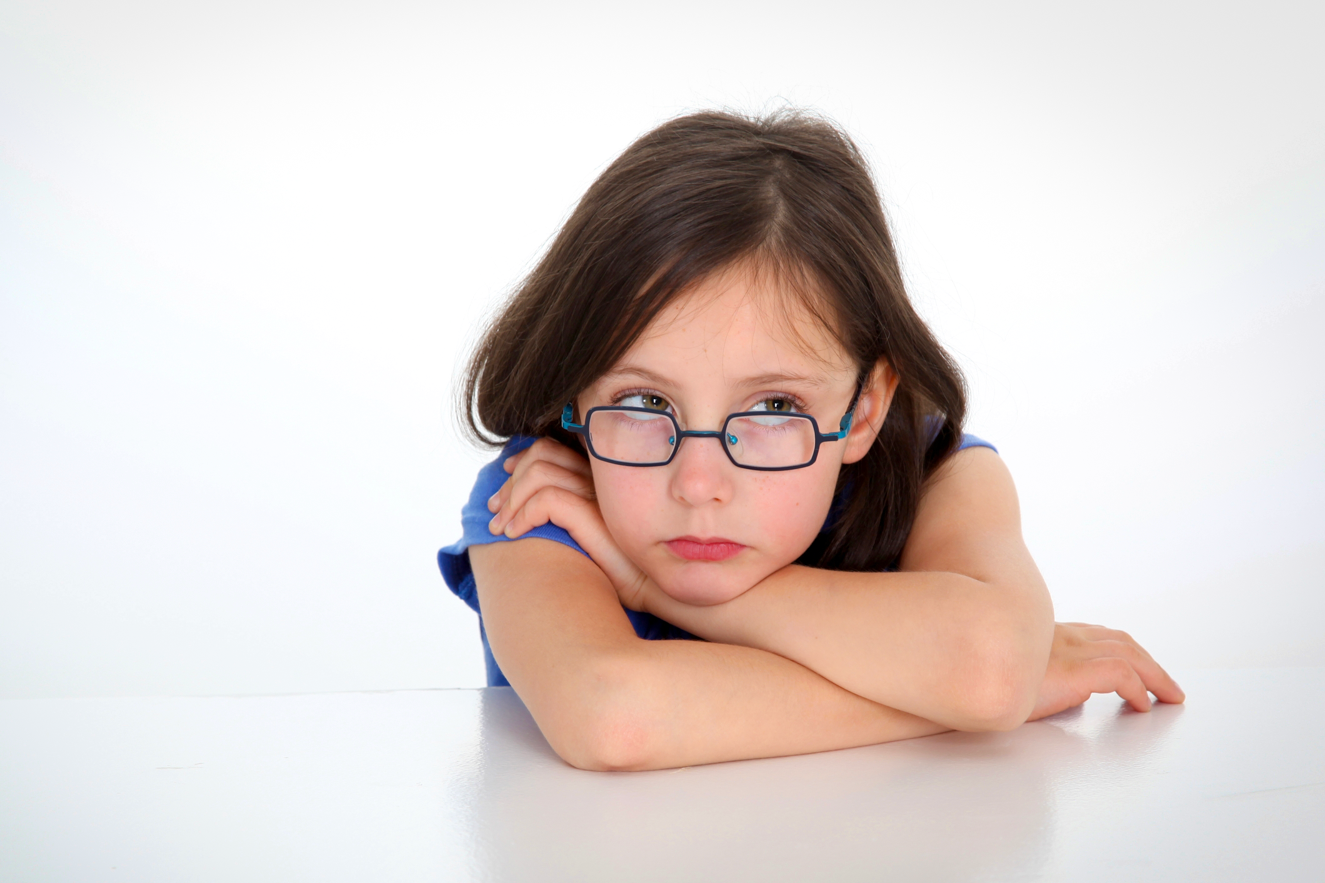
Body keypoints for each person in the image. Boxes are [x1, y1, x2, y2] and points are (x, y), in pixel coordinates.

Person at [438, 110, 1183, 772]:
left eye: (772, 404)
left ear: (863, 412)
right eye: (642, 400)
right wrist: (972, 698)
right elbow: (615, 717)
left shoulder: (942, 476)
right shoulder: (543, 495)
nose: (698, 484)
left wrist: (647, 587)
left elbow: (986, 668)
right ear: (575, 394)